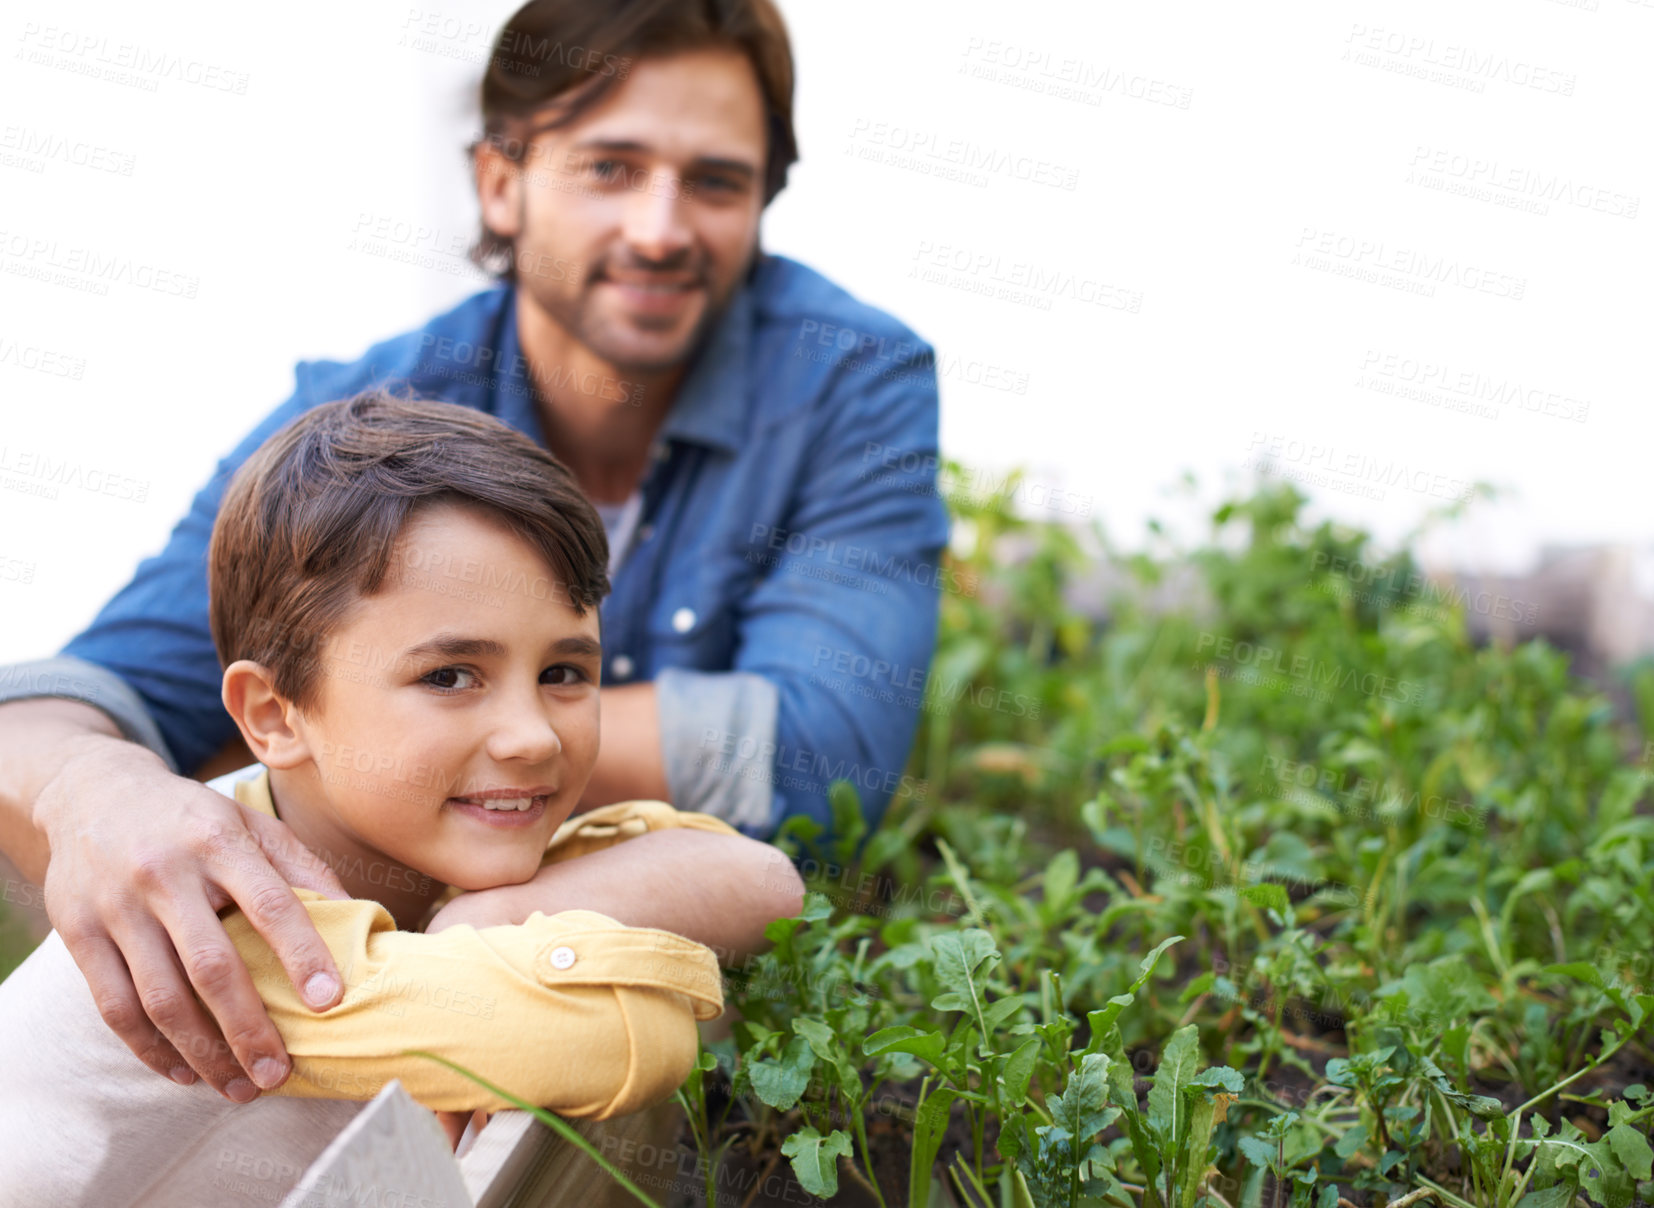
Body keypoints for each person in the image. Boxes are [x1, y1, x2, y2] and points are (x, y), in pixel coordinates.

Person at [0, 0, 948, 1103]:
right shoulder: (363, 423)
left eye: (716, 181)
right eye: (609, 166)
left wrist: (406, 754)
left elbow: (823, 763)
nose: (660, 227)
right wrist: (95, 787)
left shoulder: (849, 378)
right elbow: (75, 702)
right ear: (502, 180)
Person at [0, 394, 806, 1206]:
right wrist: (503, 949)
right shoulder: (216, 909)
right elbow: (616, 1044)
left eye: (563, 672)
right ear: (275, 717)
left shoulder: (455, 847)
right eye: (449, 676)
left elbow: (765, 883)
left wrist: (488, 921)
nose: (531, 737)